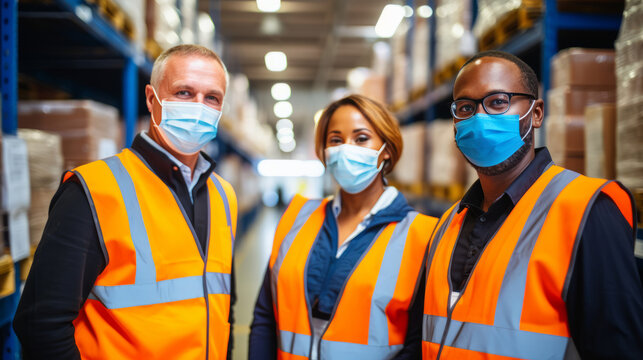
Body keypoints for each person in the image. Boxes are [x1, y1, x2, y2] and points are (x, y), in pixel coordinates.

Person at [14, 44, 237, 359]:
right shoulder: (92, 190)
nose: (199, 107)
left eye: (211, 97)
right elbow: (40, 324)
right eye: (184, 93)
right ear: (151, 98)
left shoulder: (223, 196)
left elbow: (223, 302)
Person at [422, 50, 643, 359]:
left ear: (536, 113)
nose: (480, 118)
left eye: (498, 102)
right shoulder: (447, 224)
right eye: (466, 107)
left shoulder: (586, 210)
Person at [249, 94, 439, 359]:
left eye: (361, 138)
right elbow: (265, 316)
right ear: (324, 151)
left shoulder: (423, 235)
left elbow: (418, 343)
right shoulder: (296, 217)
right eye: (335, 140)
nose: (346, 148)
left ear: (386, 148)